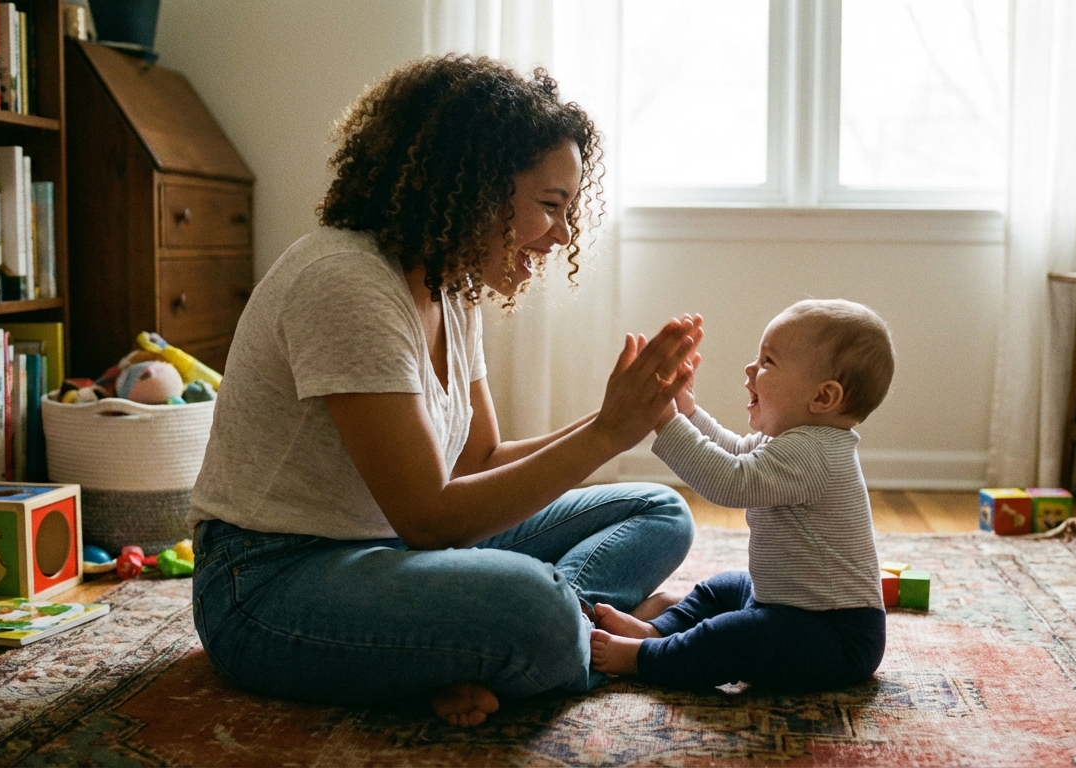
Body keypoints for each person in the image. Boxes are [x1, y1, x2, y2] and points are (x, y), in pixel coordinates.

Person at [187, 55, 702, 727]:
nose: (562, 236)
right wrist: (608, 434)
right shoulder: (346, 281)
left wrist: (617, 421)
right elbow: (429, 517)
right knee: (530, 605)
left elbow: (478, 463)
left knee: (659, 511)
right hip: (268, 583)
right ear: (474, 184)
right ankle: (543, 634)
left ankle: (490, 644)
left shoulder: (449, 285)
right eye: (551, 206)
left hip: (394, 557)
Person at [589, 299, 894, 693]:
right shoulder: (793, 441)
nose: (751, 368)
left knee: (735, 635)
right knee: (726, 587)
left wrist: (664, 421)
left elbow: (731, 479)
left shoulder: (815, 452)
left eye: (768, 361)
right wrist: (685, 411)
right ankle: (656, 629)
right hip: (789, 610)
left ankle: (645, 658)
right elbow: (734, 452)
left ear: (822, 398)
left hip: (836, 637)